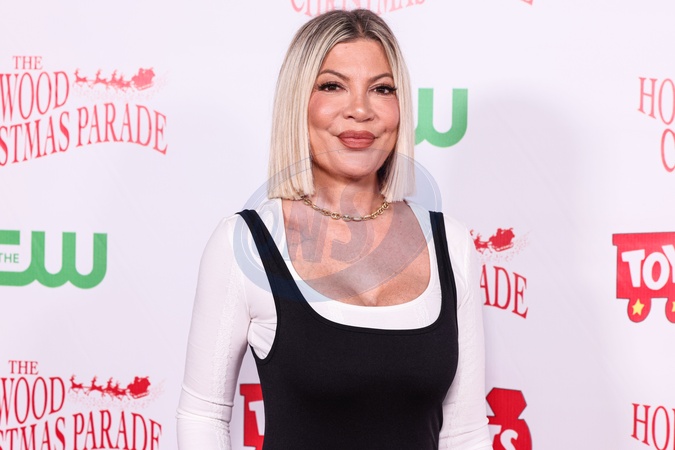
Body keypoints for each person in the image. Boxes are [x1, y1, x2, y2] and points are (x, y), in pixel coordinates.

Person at [177, 9, 491, 450]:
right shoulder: (246, 242)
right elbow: (203, 416)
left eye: (382, 89)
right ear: (298, 102)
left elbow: (466, 433)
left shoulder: (450, 244)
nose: (360, 110)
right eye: (332, 86)